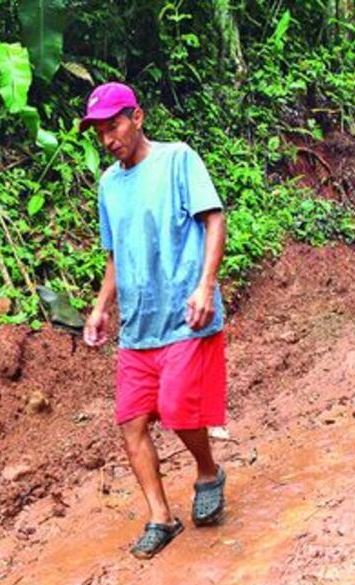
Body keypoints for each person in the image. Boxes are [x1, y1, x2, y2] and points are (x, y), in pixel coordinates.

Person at [80, 81, 229, 560]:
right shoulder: (108, 184)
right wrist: (102, 307)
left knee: (179, 410)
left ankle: (208, 472)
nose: (108, 139)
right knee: (130, 422)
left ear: (137, 117)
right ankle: (160, 517)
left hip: (185, 316)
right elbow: (115, 256)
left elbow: (214, 219)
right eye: (99, 132)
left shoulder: (177, 160)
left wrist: (205, 286)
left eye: (114, 126)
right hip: (138, 328)